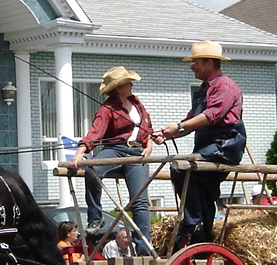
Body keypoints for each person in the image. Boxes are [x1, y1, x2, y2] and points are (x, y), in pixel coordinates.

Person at [155, 40, 246, 247]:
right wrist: (166, 135)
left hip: (225, 144)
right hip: (208, 146)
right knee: (203, 192)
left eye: (195, 62)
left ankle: (192, 223)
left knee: (181, 168)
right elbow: (191, 121)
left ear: (209, 63)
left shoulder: (225, 85)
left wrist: (178, 127)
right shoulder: (205, 88)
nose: (192, 66)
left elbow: (212, 115)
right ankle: (202, 241)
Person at [68, 66, 154, 252]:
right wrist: (79, 153)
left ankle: (144, 249)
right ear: (119, 87)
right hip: (115, 149)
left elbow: (147, 128)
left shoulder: (137, 103)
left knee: (139, 201)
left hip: (137, 153)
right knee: (92, 170)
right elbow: (95, 132)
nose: (131, 85)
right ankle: (95, 218)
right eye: (128, 82)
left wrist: (149, 146)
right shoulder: (107, 108)